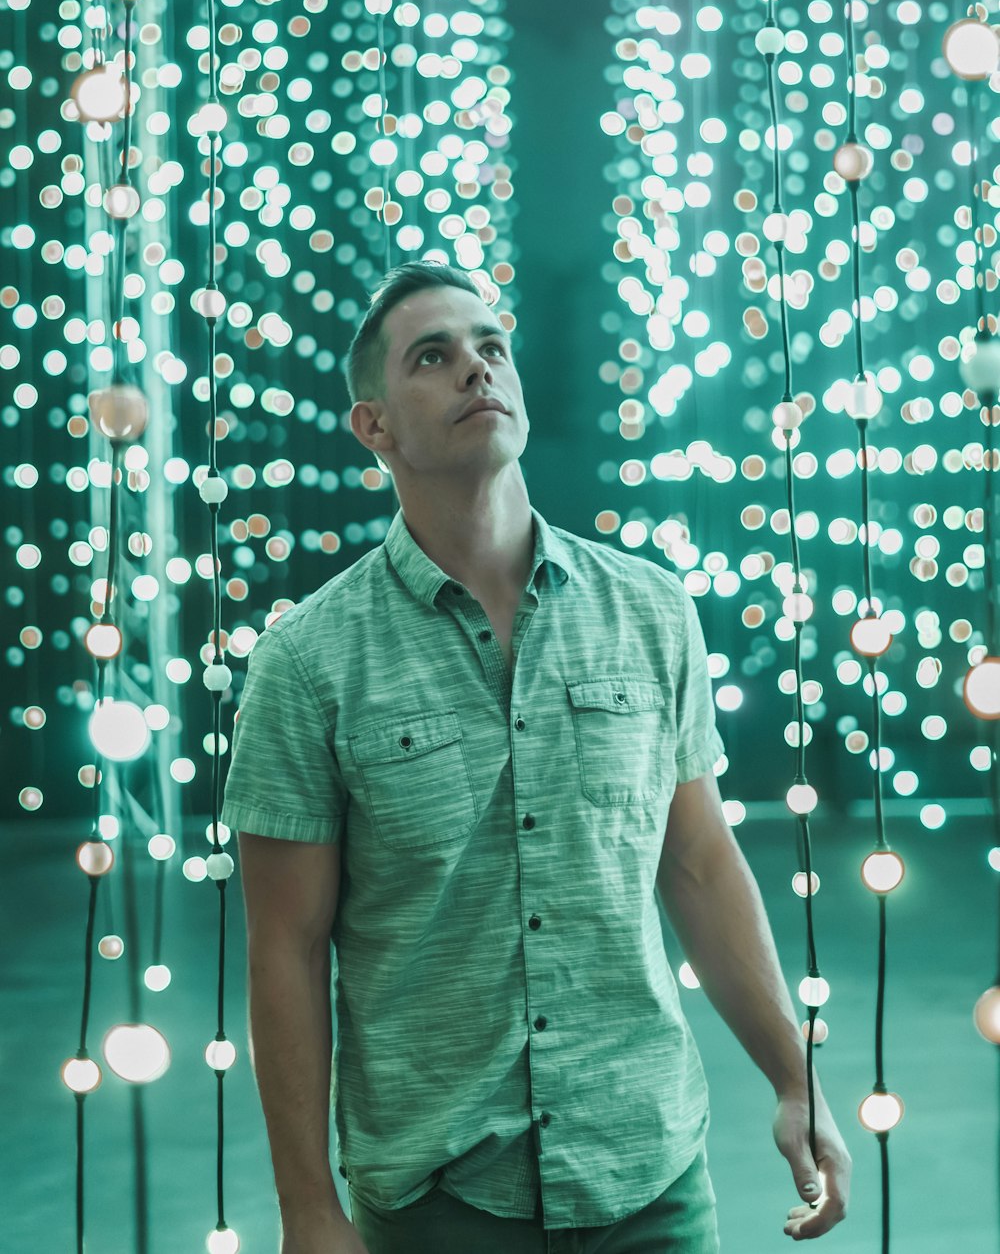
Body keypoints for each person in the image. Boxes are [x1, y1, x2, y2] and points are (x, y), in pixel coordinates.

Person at [222, 260, 851, 1254]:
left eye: (491, 347)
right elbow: (285, 951)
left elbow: (697, 860)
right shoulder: (307, 660)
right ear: (374, 425)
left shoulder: (652, 608)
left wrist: (794, 1078)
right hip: (438, 1200)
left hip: (648, 1174)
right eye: (434, 356)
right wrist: (308, 1209)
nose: (476, 369)